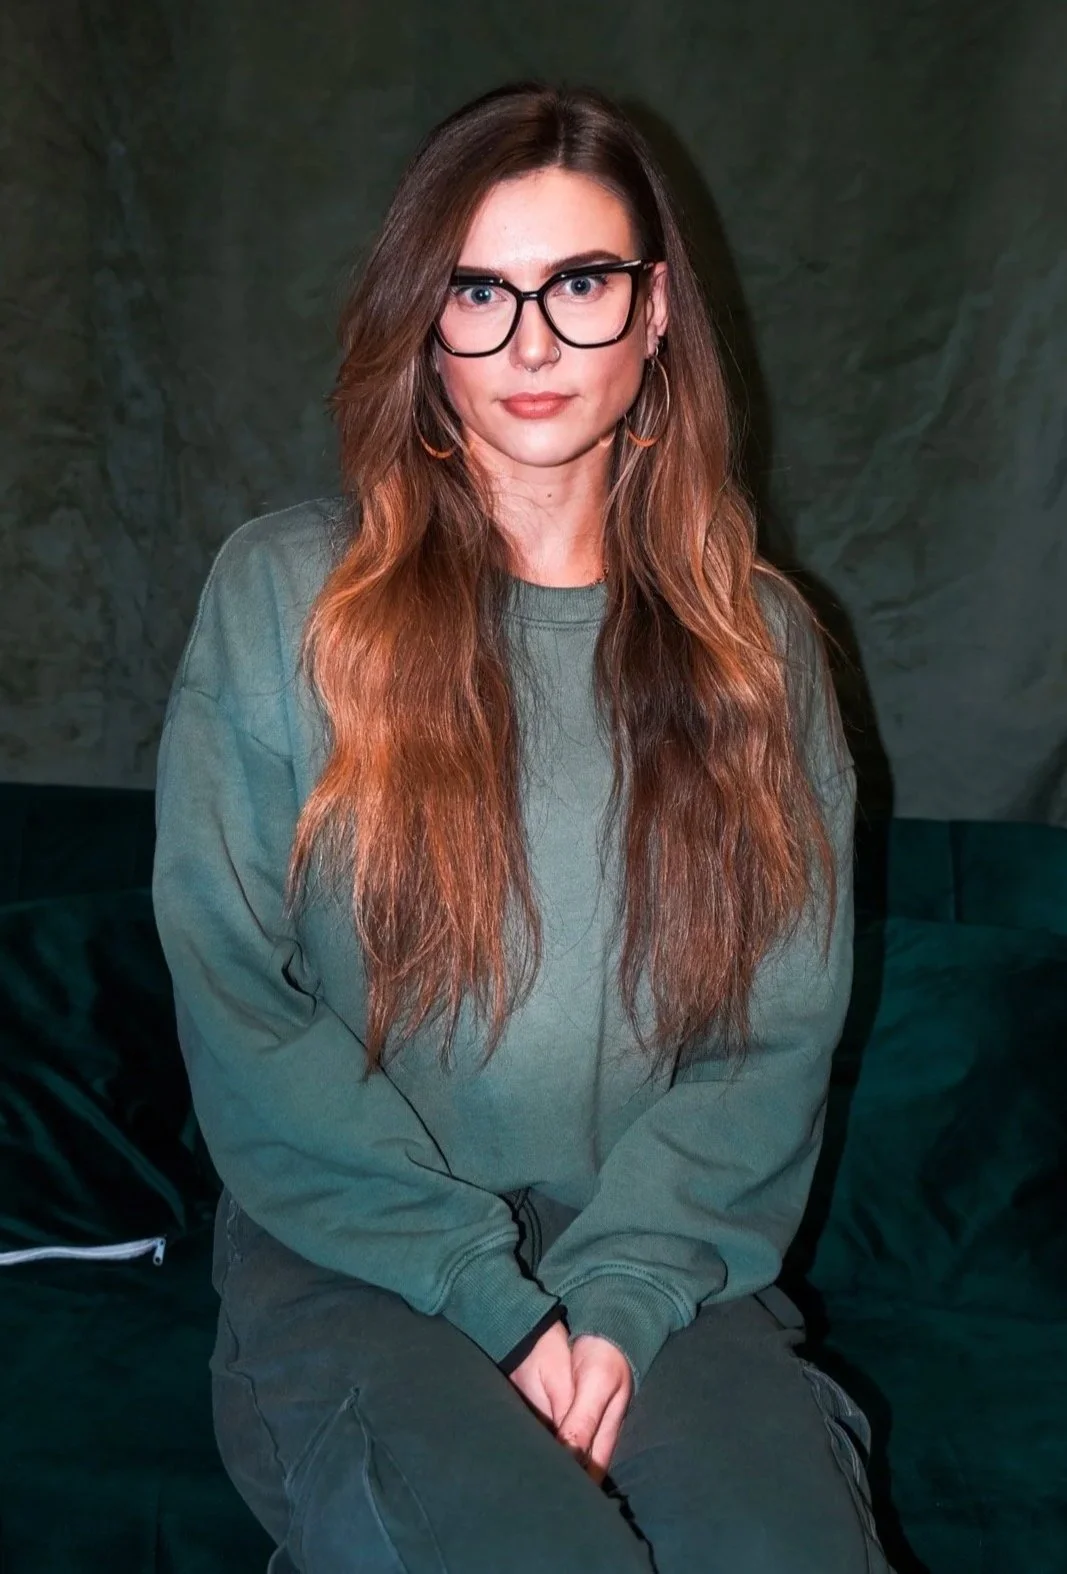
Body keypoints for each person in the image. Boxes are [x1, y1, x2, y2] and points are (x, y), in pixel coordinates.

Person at [151, 78, 897, 1574]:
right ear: (424, 321)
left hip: (658, 1257)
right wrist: (492, 1298)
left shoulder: (761, 646)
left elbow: (771, 1037)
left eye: (578, 284)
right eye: (478, 293)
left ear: (657, 307)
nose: (533, 343)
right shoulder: (283, 597)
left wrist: (612, 1303)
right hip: (354, 1258)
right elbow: (239, 996)